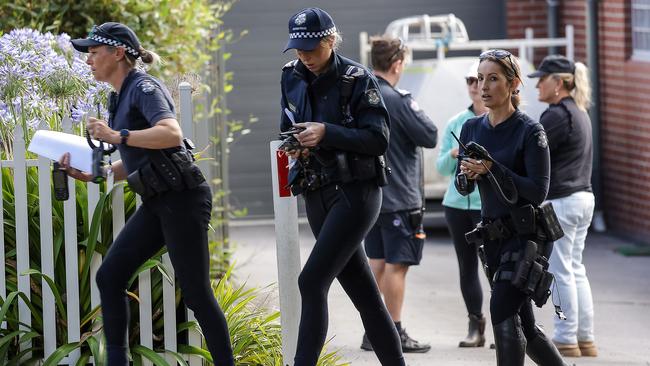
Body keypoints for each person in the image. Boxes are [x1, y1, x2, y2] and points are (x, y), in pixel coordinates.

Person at [62, 22, 234, 365]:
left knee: (197, 294)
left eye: (94, 53)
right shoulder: (119, 95)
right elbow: (141, 156)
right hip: (158, 201)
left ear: (118, 52)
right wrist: (99, 172)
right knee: (109, 276)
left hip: (183, 199)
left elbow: (170, 134)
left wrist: (117, 135)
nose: (88, 61)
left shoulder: (143, 87)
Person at [280, 8, 405, 366]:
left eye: (311, 48)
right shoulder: (290, 75)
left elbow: (379, 139)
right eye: (297, 48)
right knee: (366, 296)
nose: (304, 55)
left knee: (311, 281)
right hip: (316, 191)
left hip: (356, 193)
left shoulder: (357, 78)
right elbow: (285, 122)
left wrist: (326, 132)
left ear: (330, 41)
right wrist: (296, 142)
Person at [456, 49, 569, 366]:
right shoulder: (470, 129)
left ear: (514, 84)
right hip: (492, 238)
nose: (484, 86)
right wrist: (466, 175)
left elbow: (536, 191)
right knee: (527, 326)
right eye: (480, 79)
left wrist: (491, 168)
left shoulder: (531, 131)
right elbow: (462, 185)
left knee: (501, 310)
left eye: (493, 78)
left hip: (527, 237)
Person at [360, 36, 438, 353]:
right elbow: (430, 134)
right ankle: (393, 332)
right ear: (396, 64)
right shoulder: (397, 99)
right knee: (396, 266)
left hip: (371, 198)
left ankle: (372, 332)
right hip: (400, 197)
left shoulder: (361, 94)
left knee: (376, 264)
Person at [528, 55, 597, 358]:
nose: (538, 84)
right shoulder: (579, 111)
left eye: (542, 79)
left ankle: (567, 337)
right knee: (575, 269)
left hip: (562, 201)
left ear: (558, 83)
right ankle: (585, 338)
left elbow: (532, 154)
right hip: (582, 198)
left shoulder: (556, 116)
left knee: (560, 270)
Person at [436, 61, 489, 348]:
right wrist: (455, 153)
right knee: (466, 267)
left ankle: (507, 324)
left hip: (487, 206)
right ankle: (475, 325)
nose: (474, 86)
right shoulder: (456, 121)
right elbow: (441, 167)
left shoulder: (499, 121)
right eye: (469, 80)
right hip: (456, 205)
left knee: (495, 267)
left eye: (478, 80)